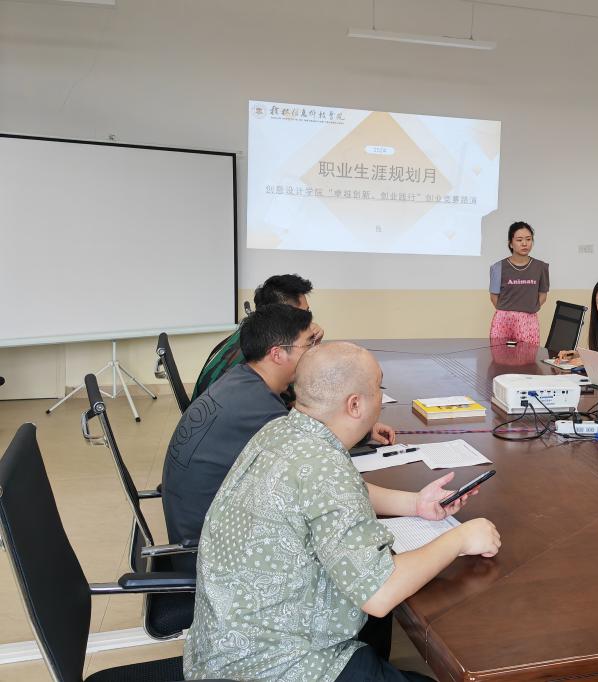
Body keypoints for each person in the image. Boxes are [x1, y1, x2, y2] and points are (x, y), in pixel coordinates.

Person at [184, 342, 501, 682]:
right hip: (280, 665)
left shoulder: (281, 431)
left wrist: (414, 504)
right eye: (378, 388)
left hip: (226, 647)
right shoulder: (325, 469)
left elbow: (338, 492)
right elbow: (379, 593)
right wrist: (460, 538)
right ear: (355, 405)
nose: (382, 397)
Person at [162, 304, 395, 574]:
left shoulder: (242, 382)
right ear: (277, 354)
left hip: (201, 531)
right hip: (209, 555)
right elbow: (323, 474)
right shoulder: (262, 411)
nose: (315, 351)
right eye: (309, 344)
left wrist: (363, 429)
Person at [191, 273, 322, 401]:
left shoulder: (251, 333)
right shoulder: (262, 353)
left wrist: (307, 342)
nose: (307, 319)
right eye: (303, 315)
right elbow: (299, 397)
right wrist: (309, 348)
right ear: (281, 315)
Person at [489, 221, 549, 346]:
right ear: (510, 243)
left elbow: (543, 295)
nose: (524, 243)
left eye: (528, 239)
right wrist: (508, 312)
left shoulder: (541, 267)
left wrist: (528, 311)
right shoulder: (498, 267)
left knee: (527, 356)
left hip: (529, 321)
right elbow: (494, 297)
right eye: (519, 240)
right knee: (501, 355)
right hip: (503, 321)